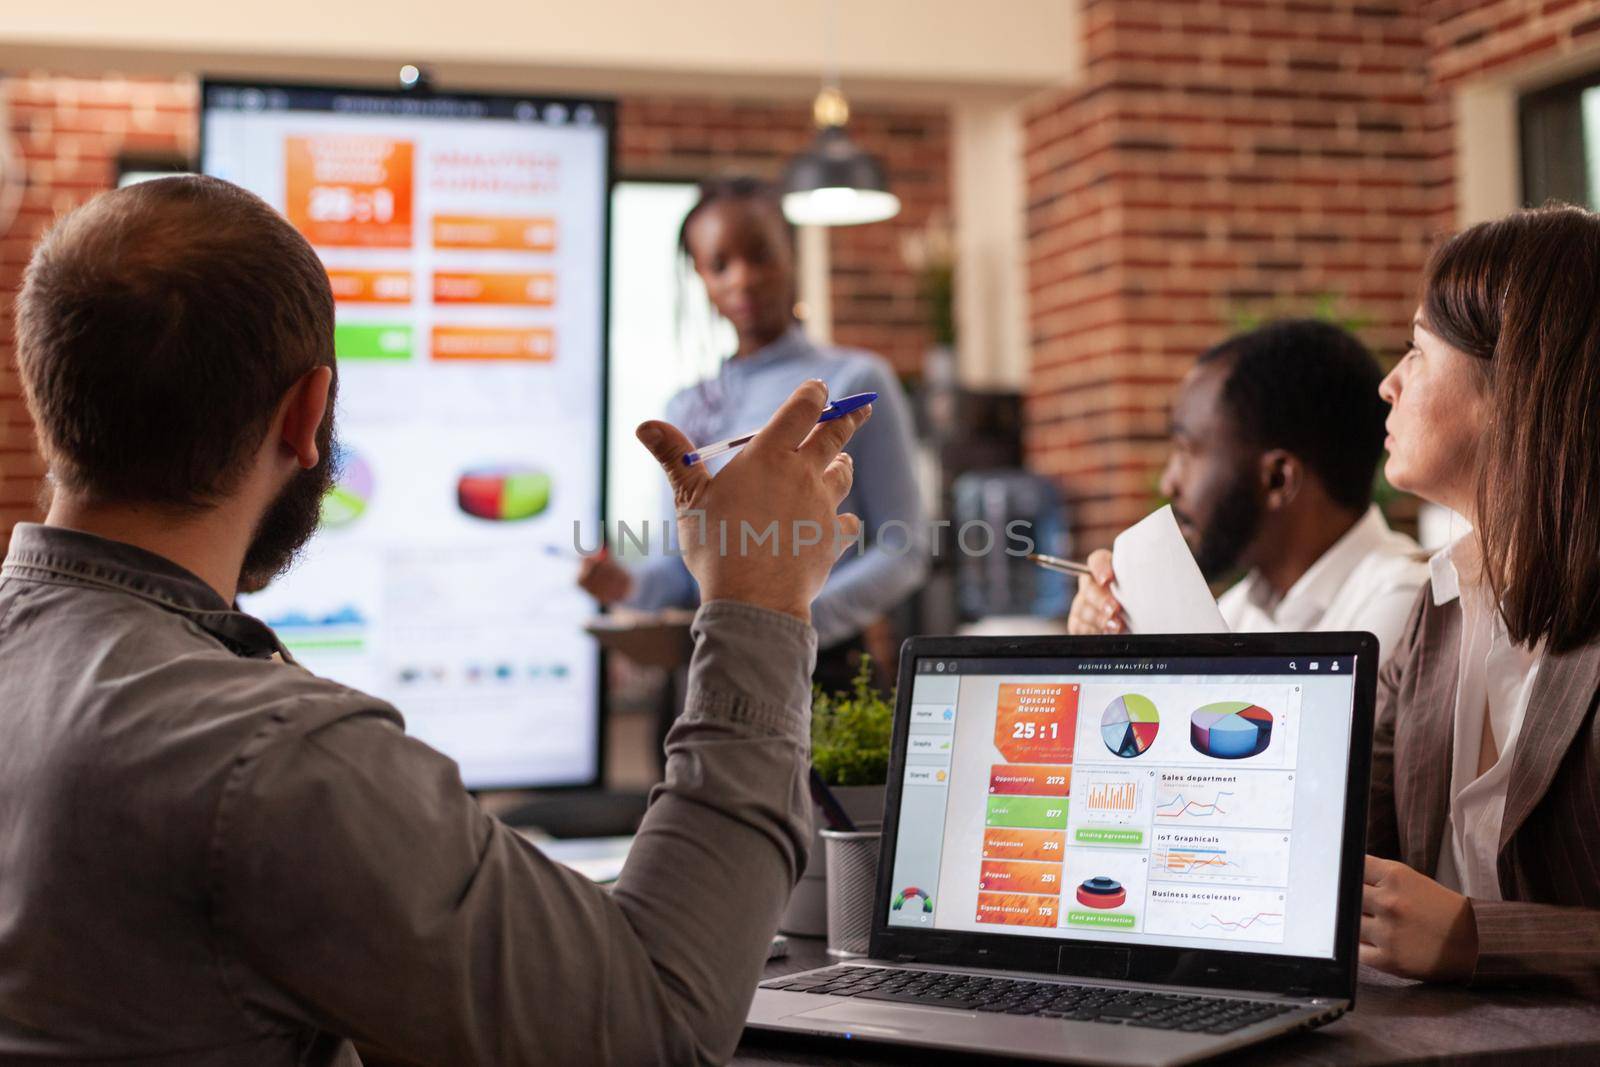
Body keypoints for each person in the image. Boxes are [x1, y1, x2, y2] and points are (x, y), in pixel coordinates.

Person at [0, 175, 869, 1063]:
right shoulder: (273, 763)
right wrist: (760, 599)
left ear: (50, 402)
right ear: (306, 415)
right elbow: (657, 1024)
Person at [1359, 205, 1600, 992]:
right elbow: (1336, 839)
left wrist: (1479, 935)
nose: (1388, 382)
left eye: (1418, 352)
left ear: (1513, 386)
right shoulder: (1440, 608)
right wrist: (1143, 631)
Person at [579, 176, 927, 690]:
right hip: (706, 671)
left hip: (817, 671)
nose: (742, 279)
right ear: (701, 277)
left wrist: (785, 619)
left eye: (760, 255)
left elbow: (905, 549)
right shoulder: (686, 408)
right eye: (720, 265)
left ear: (791, 255)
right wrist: (625, 584)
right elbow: (680, 569)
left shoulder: (856, 382)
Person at [1066, 319, 1427, 664]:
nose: (1168, 482)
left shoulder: (1403, 605)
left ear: (1278, 480)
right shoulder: (1243, 609)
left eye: (1187, 450)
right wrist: (1120, 637)